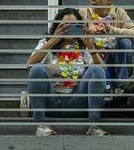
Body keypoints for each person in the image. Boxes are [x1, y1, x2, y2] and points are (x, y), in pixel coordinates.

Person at [27, 7, 109, 136]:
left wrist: (90, 46)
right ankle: (41, 126)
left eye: (74, 25)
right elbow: (29, 65)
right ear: (57, 26)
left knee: (96, 69)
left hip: (77, 102)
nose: (70, 28)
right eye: (66, 25)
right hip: (52, 102)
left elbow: (102, 72)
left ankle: (94, 126)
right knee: (37, 69)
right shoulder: (46, 43)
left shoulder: (83, 47)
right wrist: (53, 40)